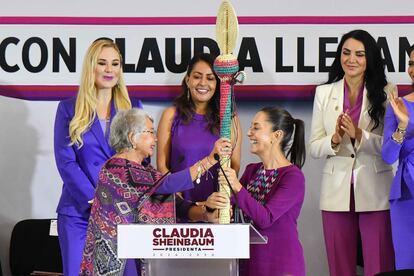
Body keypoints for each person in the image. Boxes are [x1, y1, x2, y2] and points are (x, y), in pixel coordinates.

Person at [79, 108, 231, 275]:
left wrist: (206, 213)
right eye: (151, 132)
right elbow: (168, 184)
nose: (156, 139)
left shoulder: (145, 171)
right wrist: (210, 160)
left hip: (137, 255)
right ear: (132, 137)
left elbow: (175, 204)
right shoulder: (117, 168)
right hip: (117, 258)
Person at [54, 38, 143, 276]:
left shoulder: (134, 106)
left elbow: (141, 159)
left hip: (121, 213)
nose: (109, 69)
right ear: (91, 67)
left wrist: (117, 200)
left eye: (115, 63)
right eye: (102, 63)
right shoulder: (68, 108)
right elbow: (66, 161)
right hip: (79, 214)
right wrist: (95, 198)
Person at [309, 29, 395, 276]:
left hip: (376, 188)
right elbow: (314, 146)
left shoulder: (388, 91)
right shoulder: (324, 93)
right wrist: (335, 139)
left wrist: (359, 134)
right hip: (336, 191)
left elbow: (390, 147)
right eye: (346, 53)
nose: (351, 59)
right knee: (339, 266)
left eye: (359, 54)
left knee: (379, 265)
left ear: (370, 59)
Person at [211, 107, 306, 276]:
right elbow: (229, 205)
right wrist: (213, 203)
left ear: (276, 136)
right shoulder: (252, 170)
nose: (248, 133)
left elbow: (265, 219)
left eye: (256, 127)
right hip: (250, 262)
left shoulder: (293, 177)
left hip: (281, 264)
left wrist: (236, 186)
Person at [157, 53, 242, 206]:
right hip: (179, 207)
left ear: (218, 84)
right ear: (187, 80)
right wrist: (178, 198)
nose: (203, 83)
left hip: (216, 209)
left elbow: (234, 166)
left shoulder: (229, 119)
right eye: (197, 76)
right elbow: (162, 166)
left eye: (210, 78)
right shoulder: (171, 115)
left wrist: (219, 198)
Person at [382, 44, 414, 270]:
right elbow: (387, 156)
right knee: (407, 263)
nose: (413, 69)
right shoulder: (398, 105)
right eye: (411, 63)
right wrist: (403, 125)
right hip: (407, 193)